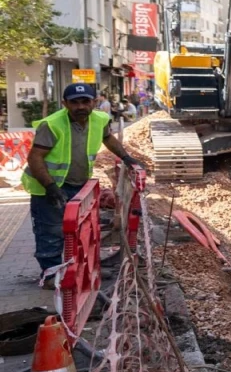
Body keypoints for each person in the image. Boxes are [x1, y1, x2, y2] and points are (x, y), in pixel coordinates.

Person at [23, 83, 142, 288]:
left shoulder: (99, 120)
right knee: (51, 232)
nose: (80, 106)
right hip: (47, 188)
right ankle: (51, 275)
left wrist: (126, 157)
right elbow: (35, 158)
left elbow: (107, 138)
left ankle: (80, 271)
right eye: (74, 102)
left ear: (94, 102)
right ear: (65, 103)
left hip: (79, 186)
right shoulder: (52, 124)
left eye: (85, 101)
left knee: (81, 231)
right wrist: (50, 187)